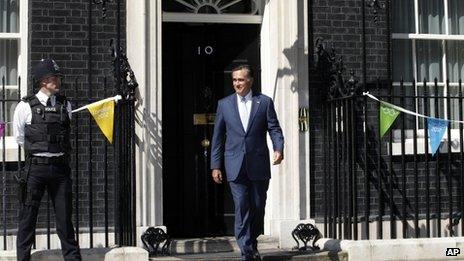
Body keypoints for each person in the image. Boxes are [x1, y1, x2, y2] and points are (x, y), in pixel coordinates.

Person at [210, 64, 284, 261]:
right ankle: (247, 251)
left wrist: (278, 148)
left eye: (240, 80)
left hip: (258, 164)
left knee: (258, 206)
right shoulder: (224, 105)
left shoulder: (264, 102)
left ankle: (251, 240)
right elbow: (217, 138)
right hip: (234, 164)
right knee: (241, 205)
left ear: (250, 81)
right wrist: (215, 166)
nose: (237, 84)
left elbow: (274, 128)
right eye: (234, 80)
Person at [13, 58, 81, 261]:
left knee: (65, 222)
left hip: (60, 170)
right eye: (54, 78)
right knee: (27, 220)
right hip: (35, 170)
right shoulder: (25, 107)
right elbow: (19, 137)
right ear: (43, 81)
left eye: (58, 78)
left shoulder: (65, 104)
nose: (58, 82)